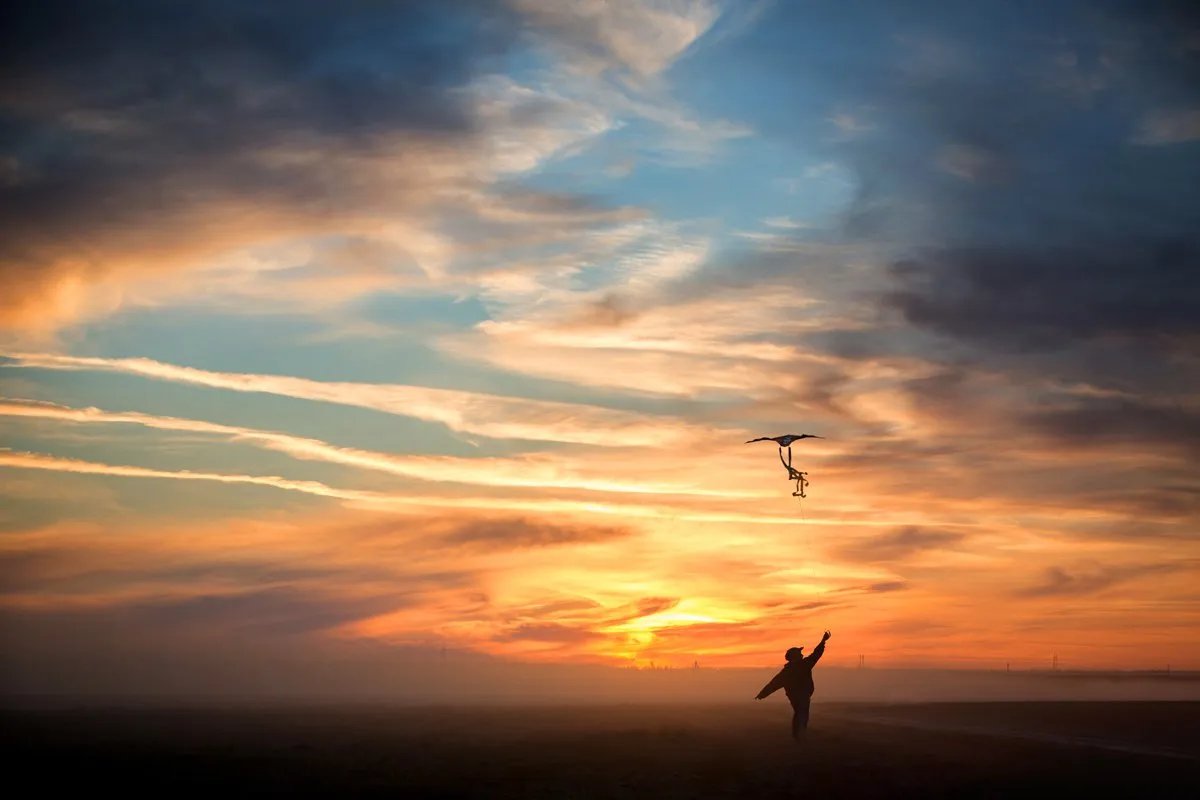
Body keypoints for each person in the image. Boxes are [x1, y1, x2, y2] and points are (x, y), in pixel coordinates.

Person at [754, 630, 831, 740]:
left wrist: (762, 695)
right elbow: (816, 654)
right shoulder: (804, 665)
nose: (802, 655)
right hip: (803, 695)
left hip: (794, 697)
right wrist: (823, 641)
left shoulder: (787, 671)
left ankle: (798, 736)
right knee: (802, 715)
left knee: (799, 714)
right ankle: (799, 736)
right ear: (795, 656)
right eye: (800, 654)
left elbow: (773, 684)